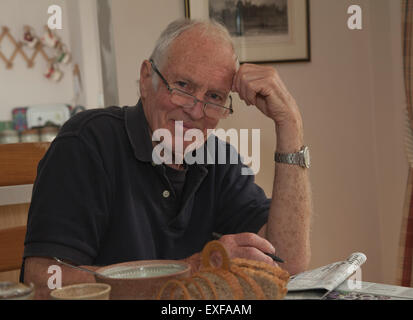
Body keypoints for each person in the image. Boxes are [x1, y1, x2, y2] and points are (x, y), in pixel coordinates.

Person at [22, 19, 312, 299]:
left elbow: (287, 261)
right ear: (147, 79)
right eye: (183, 86)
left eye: (214, 96)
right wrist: (192, 270)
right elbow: (44, 282)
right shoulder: (87, 142)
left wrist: (289, 124)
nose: (196, 111)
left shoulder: (219, 157)